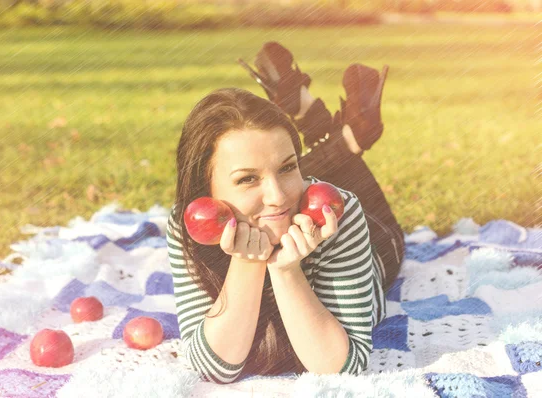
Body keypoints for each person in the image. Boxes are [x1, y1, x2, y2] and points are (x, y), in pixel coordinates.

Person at [166, 42, 405, 384]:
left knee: (295, 184)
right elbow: (212, 367)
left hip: (371, 238)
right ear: (205, 191)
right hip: (273, 213)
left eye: (290, 166)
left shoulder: (344, 212)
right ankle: (340, 131)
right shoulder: (186, 226)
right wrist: (249, 262)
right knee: (273, 173)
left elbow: (343, 369)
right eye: (246, 178)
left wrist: (286, 271)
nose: (278, 197)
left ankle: (337, 132)